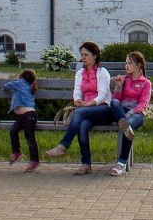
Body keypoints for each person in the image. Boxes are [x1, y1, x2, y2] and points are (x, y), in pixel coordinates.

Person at [45, 41, 110, 173]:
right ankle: (86, 164)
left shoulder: (103, 72)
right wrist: (78, 101)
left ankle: (63, 145)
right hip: (86, 110)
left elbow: (102, 96)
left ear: (95, 55)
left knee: (79, 113)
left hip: (103, 109)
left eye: (86, 55)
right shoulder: (80, 73)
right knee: (83, 125)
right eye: (82, 55)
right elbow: (77, 92)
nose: (83, 58)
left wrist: (87, 105)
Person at [107, 51, 152, 176]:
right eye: (125, 63)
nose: (126, 66)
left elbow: (143, 104)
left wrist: (129, 114)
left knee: (128, 125)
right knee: (115, 102)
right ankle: (121, 163)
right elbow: (116, 100)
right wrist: (119, 86)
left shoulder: (146, 83)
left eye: (129, 63)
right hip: (122, 111)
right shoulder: (124, 79)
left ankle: (121, 162)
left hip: (137, 114)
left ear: (138, 65)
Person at [4, 68, 40, 172]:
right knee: (13, 130)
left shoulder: (20, 83)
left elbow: (6, 87)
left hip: (29, 116)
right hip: (24, 116)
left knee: (29, 137)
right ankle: (16, 152)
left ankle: (35, 160)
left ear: (22, 77)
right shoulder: (30, 86)